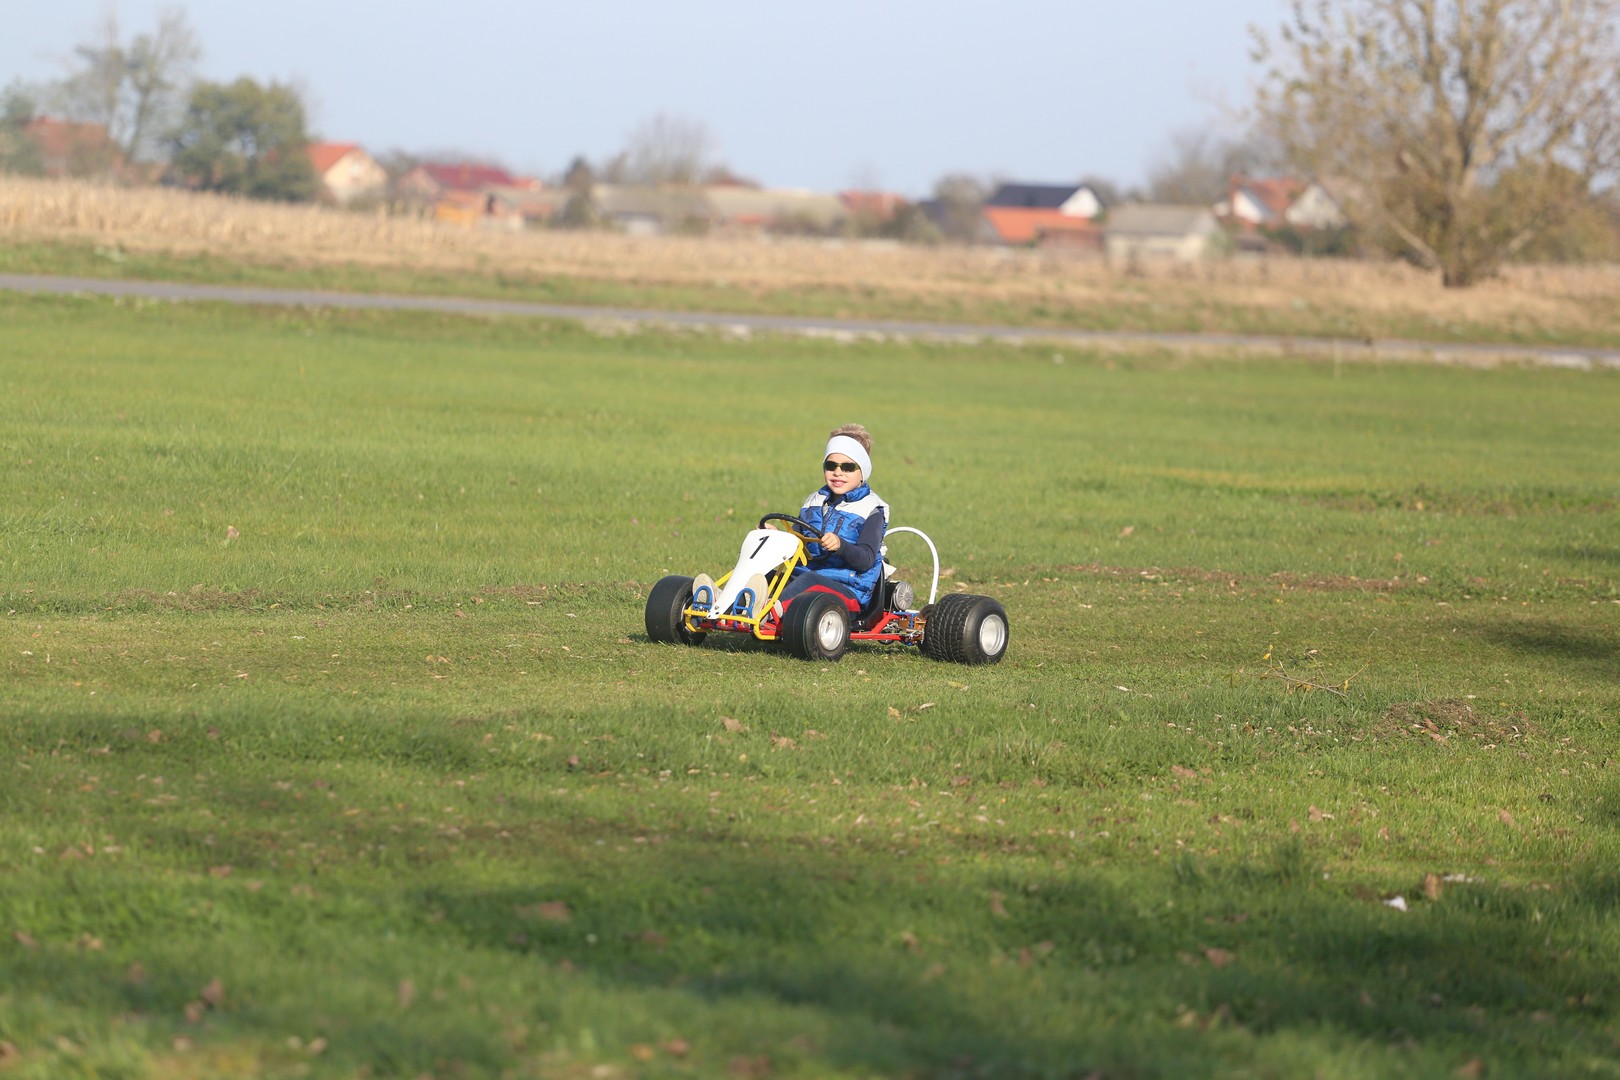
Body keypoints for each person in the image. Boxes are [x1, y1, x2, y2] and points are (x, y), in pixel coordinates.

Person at [772, 423, 889, 612]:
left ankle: (769, 611)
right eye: (831, 465)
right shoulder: (814, 502)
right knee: (769, 576)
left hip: (849, 588)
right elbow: (797, 543)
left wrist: (840, 546)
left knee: (809, 581)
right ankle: (721, 603)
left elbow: (866, 559)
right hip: (808, 576)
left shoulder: (871, 510)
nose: (838, 472)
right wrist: (778, 537)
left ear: (863, 472)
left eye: (848, 467)